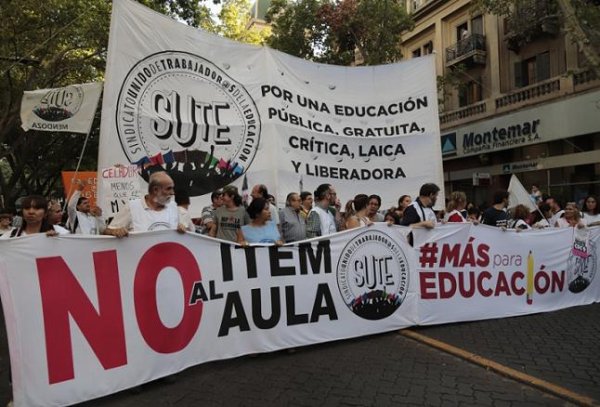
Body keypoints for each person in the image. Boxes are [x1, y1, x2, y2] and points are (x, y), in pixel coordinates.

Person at [104, 172, 186, 237]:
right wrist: (115, 231)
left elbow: (182, 233)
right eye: (168, 189)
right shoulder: (132, 207)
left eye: (172, 188)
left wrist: (182, 229)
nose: (172, 193)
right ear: (155, 190)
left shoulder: (173, 207)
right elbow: (106, 231)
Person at [2, 195, 69, 238]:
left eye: (37, 208)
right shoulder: (9, 237)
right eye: (27, 208)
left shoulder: (62, 233)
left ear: (45, 213)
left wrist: (58, 242)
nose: (31, 212)